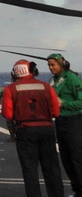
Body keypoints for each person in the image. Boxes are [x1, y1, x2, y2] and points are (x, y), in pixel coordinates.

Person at [2, 59, 64, 197]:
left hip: (25, 132)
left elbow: (7, 114)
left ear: (15, 72)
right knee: (52, 169)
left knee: (30, 171)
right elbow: (56, 112)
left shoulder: (10, 89)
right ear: (32, 71)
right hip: (46, 130)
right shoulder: (46, 87)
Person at [49, 53, 82, 195]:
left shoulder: (72, 79)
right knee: (66, 159)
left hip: (74, 121)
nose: (50, 68)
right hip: (60, 122)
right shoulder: (53, 80)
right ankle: (77, 189)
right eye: (49, 65)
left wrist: (63, 103)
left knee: (76, 158)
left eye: (53, 65)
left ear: (61, 64)